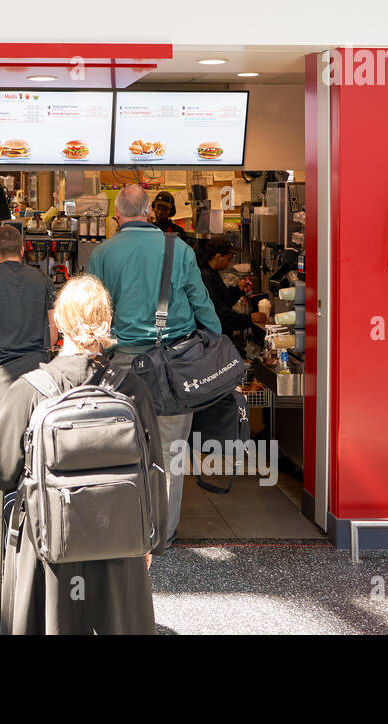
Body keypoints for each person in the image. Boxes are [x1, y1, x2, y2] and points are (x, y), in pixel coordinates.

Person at [0, 275, 166, 634]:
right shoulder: (132, 390)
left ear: (58, 323)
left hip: (47, 545)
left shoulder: (29, 390)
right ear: (108, 323)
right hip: (119, 541)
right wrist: (150, 541)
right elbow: (154, 467)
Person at [87, 183, 222, 548]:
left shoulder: (102, 253)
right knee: (171, 450)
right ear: (148, 213)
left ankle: (124, 529)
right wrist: (215, 341)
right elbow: (201, 302)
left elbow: (93, 314)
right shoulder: (178, 249)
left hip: (122, 366)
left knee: (122, 446)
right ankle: (163, 533)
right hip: (173, 365)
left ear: (117, 215)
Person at [0, 222, 56, 558]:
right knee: (34, 450)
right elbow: (54, 332)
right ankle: (34, 525)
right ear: (24, 249)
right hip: (36, 378)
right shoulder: (41, 280)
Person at [200, 235, 267, 341]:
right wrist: (249, 319)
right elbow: (220, 313)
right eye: (228, 259)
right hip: (211, 338)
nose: (229, 263)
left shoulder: (212, 273)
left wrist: (238, 289)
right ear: (217, 256)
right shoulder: (205, 276)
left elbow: (224, 300)